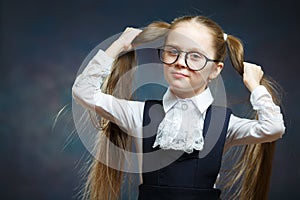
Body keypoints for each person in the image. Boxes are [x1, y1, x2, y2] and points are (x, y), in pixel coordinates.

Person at [72, 15, 285, 200]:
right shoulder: (138, 114)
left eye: (195, 56)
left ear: (215, 70)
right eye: (172, 51)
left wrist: (254, 85)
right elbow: (84, 91)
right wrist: (117, 46)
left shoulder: (224, 124)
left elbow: (273, 128)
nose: (181, 62)